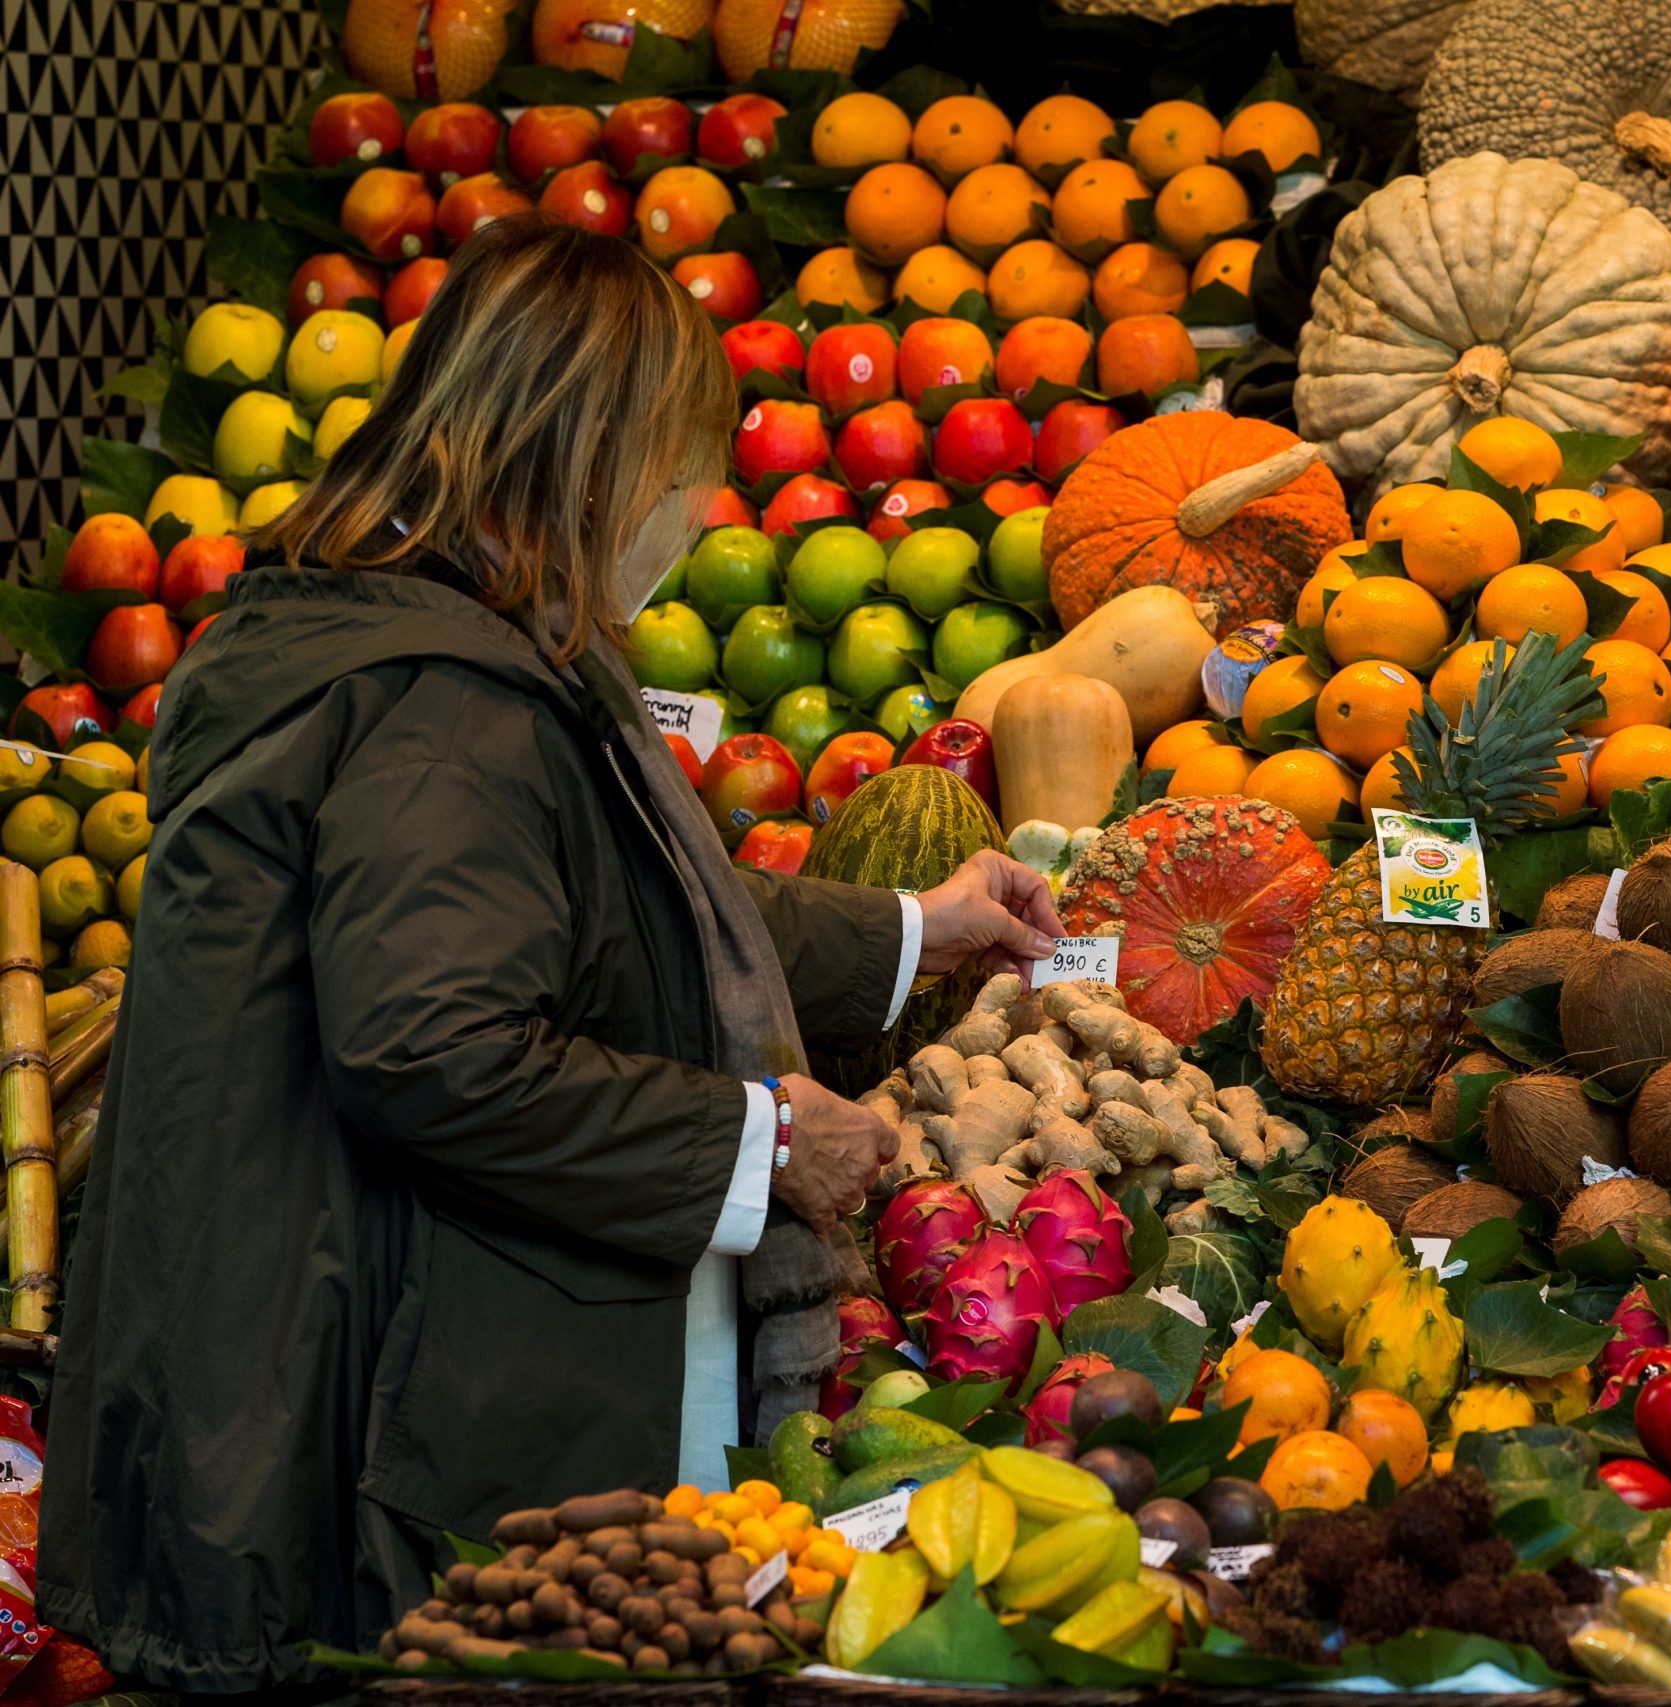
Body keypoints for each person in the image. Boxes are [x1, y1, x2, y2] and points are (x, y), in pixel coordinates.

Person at [36, 215, 1062, 1694]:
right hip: (353, 1416)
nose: (702, 507)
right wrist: (762, 1143)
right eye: (685, 464)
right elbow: (438, 1054)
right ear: (595, 461)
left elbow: (617, 908)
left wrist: (920, 926)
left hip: (318, 1362)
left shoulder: (425, 646)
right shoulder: (449, 709)